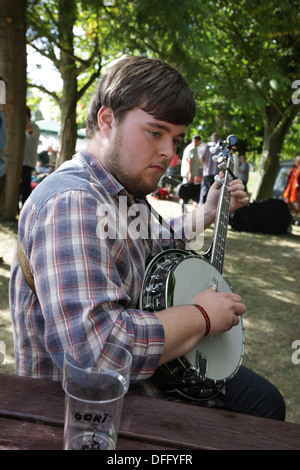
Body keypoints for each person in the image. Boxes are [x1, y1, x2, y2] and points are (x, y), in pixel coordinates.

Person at [9, 56, 285, 420]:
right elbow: (95, 356)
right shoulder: (73, 203)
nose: (170, 152)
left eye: (176, 138)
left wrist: (208, 212)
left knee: (266, 402)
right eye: (156, 132)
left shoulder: (120, 191)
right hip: (96, 411)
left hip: (150, 377)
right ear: (108, 121)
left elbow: (156, 243)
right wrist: (201, 316)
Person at [19, 106, 40, 206]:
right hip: (24, 162)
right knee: (25, 187)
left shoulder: (33, 126)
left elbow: (29, 128)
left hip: (26, 163)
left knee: (21, 187)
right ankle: (24, 208)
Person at [198, 132, 220, 205]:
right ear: (218, 138)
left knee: (204, 190)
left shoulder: (207, 146)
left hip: (207, 172)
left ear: (212, 138)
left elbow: (201, 158)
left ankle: (201, 207)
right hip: (217, 174)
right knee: (214, 191)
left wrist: (207, 163)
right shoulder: (221, 147)